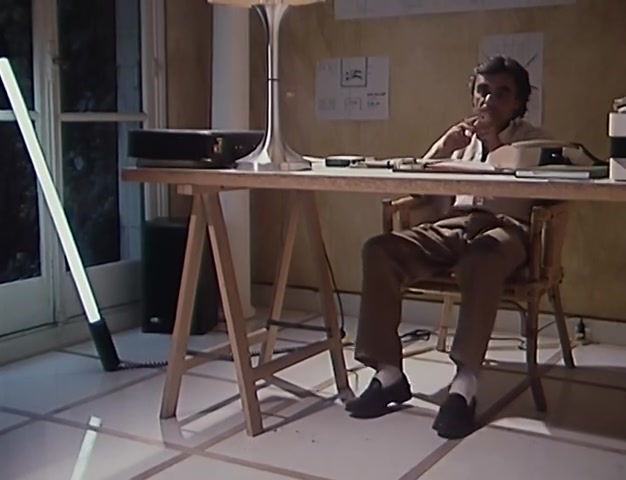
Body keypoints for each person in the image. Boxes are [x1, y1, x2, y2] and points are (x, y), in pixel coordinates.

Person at [345, 56, 551, 439]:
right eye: (483, 91)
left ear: (518, 102)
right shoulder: (462, 140)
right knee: (379, 250)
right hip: (453, 226)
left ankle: (464, 385)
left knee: (482, 260)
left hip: (505, 230)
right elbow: (418, 185)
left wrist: (494, 144)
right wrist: (443, 146)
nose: (489, 100)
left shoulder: (533, 139)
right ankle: (388, 374)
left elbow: (533, 188)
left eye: (502, 93)